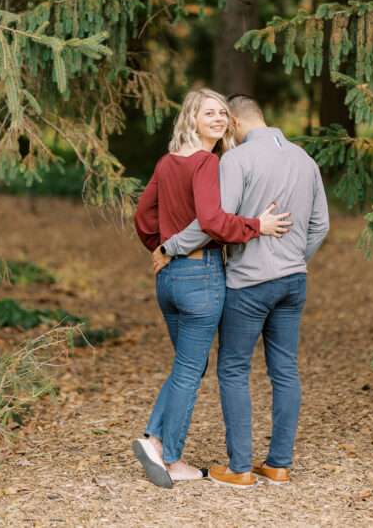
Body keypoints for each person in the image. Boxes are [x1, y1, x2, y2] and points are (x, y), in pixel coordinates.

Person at [156, 93, 329, 488]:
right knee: (284, 370)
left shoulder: (236, 160)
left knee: (233, 369)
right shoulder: (305, 159)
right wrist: (292, 258)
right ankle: (279, 465)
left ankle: (240, 468)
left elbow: (212, 222)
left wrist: (171, 246)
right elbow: (320, 226)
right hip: (293, 280)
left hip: (249, 283)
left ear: (233, 122)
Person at [133, 88, 291, 489]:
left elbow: (142, 214)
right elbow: (212, 221)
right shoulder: (206, 162)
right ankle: (167, 456)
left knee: (188, 365)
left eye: (223, 113)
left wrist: (160, 247)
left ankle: (154, 440)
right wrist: (258, 226)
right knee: (190, 369)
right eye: (210, 113)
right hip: (201, 278)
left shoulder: (168, 162)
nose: (219, 119)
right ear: (191, 118)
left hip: (168, 281)